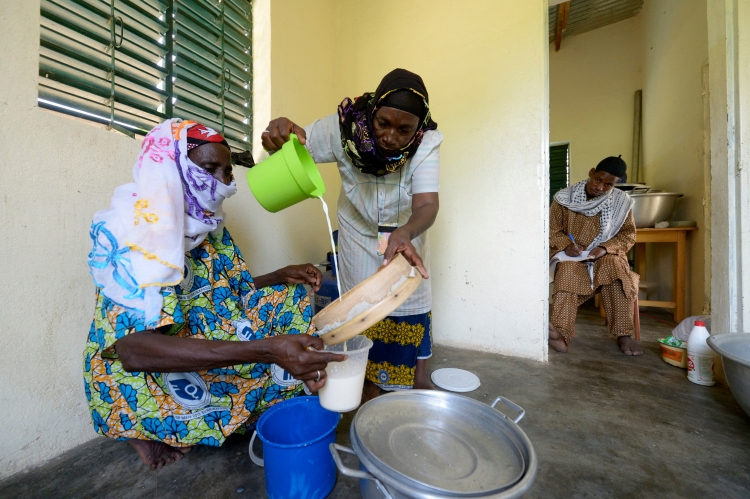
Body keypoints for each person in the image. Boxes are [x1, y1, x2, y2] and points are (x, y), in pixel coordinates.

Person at [83, 119, 346, 470]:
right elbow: (133, 351)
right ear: (171, 165)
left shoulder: (207, 225)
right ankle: (142, 427)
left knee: (291, 297)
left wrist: (281, 275)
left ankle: (257, 397)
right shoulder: (134, 234)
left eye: (227, 171)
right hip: (147, 361)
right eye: (208, 168)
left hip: (202, 328)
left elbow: (226, 292)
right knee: (251, 369)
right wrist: (265, 350)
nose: (222, 182)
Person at [261, 69, 441, 397]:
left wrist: (407, 231)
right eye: (383, 123)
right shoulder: (342, 129)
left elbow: (427, 204)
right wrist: (283, 132)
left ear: (418, 128)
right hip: (357, 229)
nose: (390, 137)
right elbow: (296, 145)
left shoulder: (426, 143)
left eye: (405, 130)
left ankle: (418, 376)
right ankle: (365, 376)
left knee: (411, 296)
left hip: (404, 230)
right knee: (360, 303)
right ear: (372, 112)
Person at [548, 156, 642, 356]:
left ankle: (623, 335)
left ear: (616, 184)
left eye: (608, 184)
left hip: (604, 255)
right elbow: (552, 230)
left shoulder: (621, 202)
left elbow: (628, 235)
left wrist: (605, 248)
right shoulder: (564, 198)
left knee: (615, 269)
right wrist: (566, 245)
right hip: (572, 256)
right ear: (591, 172)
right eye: (598, 180)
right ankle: (560, 335)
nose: (600, 187)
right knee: (567, 272)